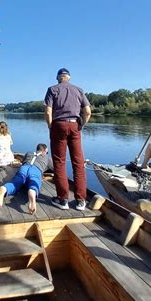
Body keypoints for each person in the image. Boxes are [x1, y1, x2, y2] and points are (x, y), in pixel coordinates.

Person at [44, 68, 91, 211]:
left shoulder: (52, 89)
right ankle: (81, 201)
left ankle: (62, 199)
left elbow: (47, 111)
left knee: (59, 162)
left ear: (58, 78)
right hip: (75, 125)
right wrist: (81, 124)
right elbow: (88, 112)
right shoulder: (79, 90)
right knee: (78, 162)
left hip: (59, 125)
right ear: (69, 77)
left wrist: (51, 126)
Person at [0, 143, 52, 214]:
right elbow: (55, 169)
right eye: (47, 152)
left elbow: (23, 161)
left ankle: (4, 189)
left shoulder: (29, 153)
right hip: (36, 170)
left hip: (24, 168)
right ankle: (32, 194)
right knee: (34, 183)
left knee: (15, 183)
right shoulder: (47, 158)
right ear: (45, 151)